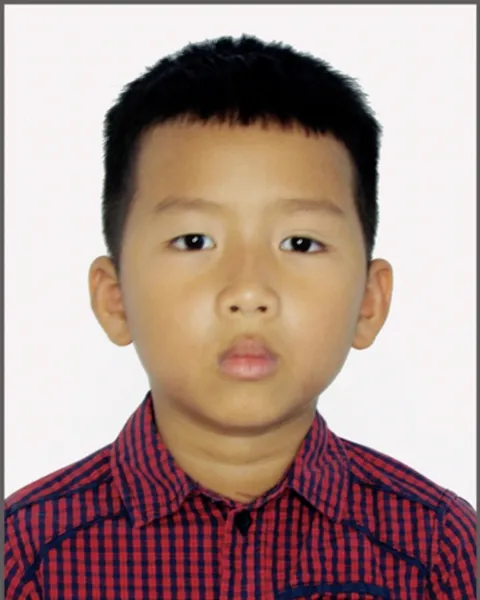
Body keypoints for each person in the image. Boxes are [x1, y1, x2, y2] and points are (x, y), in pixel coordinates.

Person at [5, 35, 476, 600]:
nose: (249, 291)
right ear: (115, 298)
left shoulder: (436, 549)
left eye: (300, 243)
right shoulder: (26, 555)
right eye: (194, 240)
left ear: (369, 302)